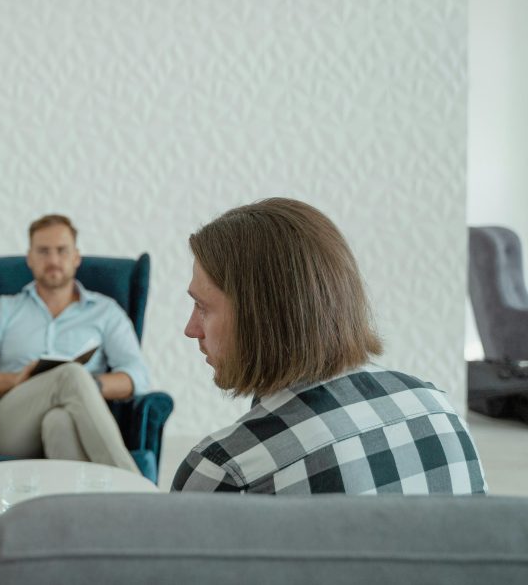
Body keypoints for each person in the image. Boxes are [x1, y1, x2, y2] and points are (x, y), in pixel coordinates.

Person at [173, 197, 486, 494]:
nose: (191, 329)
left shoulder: (226, 472)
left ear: (262, 316)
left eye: (203, 307)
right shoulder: (440, 416)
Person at [0, 214, 149, 473]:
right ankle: (135, 490)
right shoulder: (2, 310)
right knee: (71, 373)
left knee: (59, 421)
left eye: (61, 251)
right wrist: (15, 380)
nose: (53, 260)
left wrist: (87, 386)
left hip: (76, 419)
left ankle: (79, 511)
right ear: (30, 258)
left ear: (76, 257)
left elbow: (138, 377)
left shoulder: (106, 312)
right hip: (8, 426)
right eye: (43, 251)